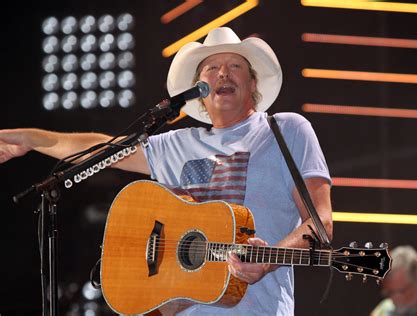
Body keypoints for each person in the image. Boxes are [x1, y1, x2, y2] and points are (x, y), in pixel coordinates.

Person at [0, 27, 333, 315]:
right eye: (211, 67)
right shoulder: (175, 143)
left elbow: (321, 224)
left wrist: (269, 260)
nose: (222, 73)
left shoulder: (286, 130)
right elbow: (104, 150)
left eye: (235, 65)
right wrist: (32, 139)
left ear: (253, 82)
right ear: (199, 91)